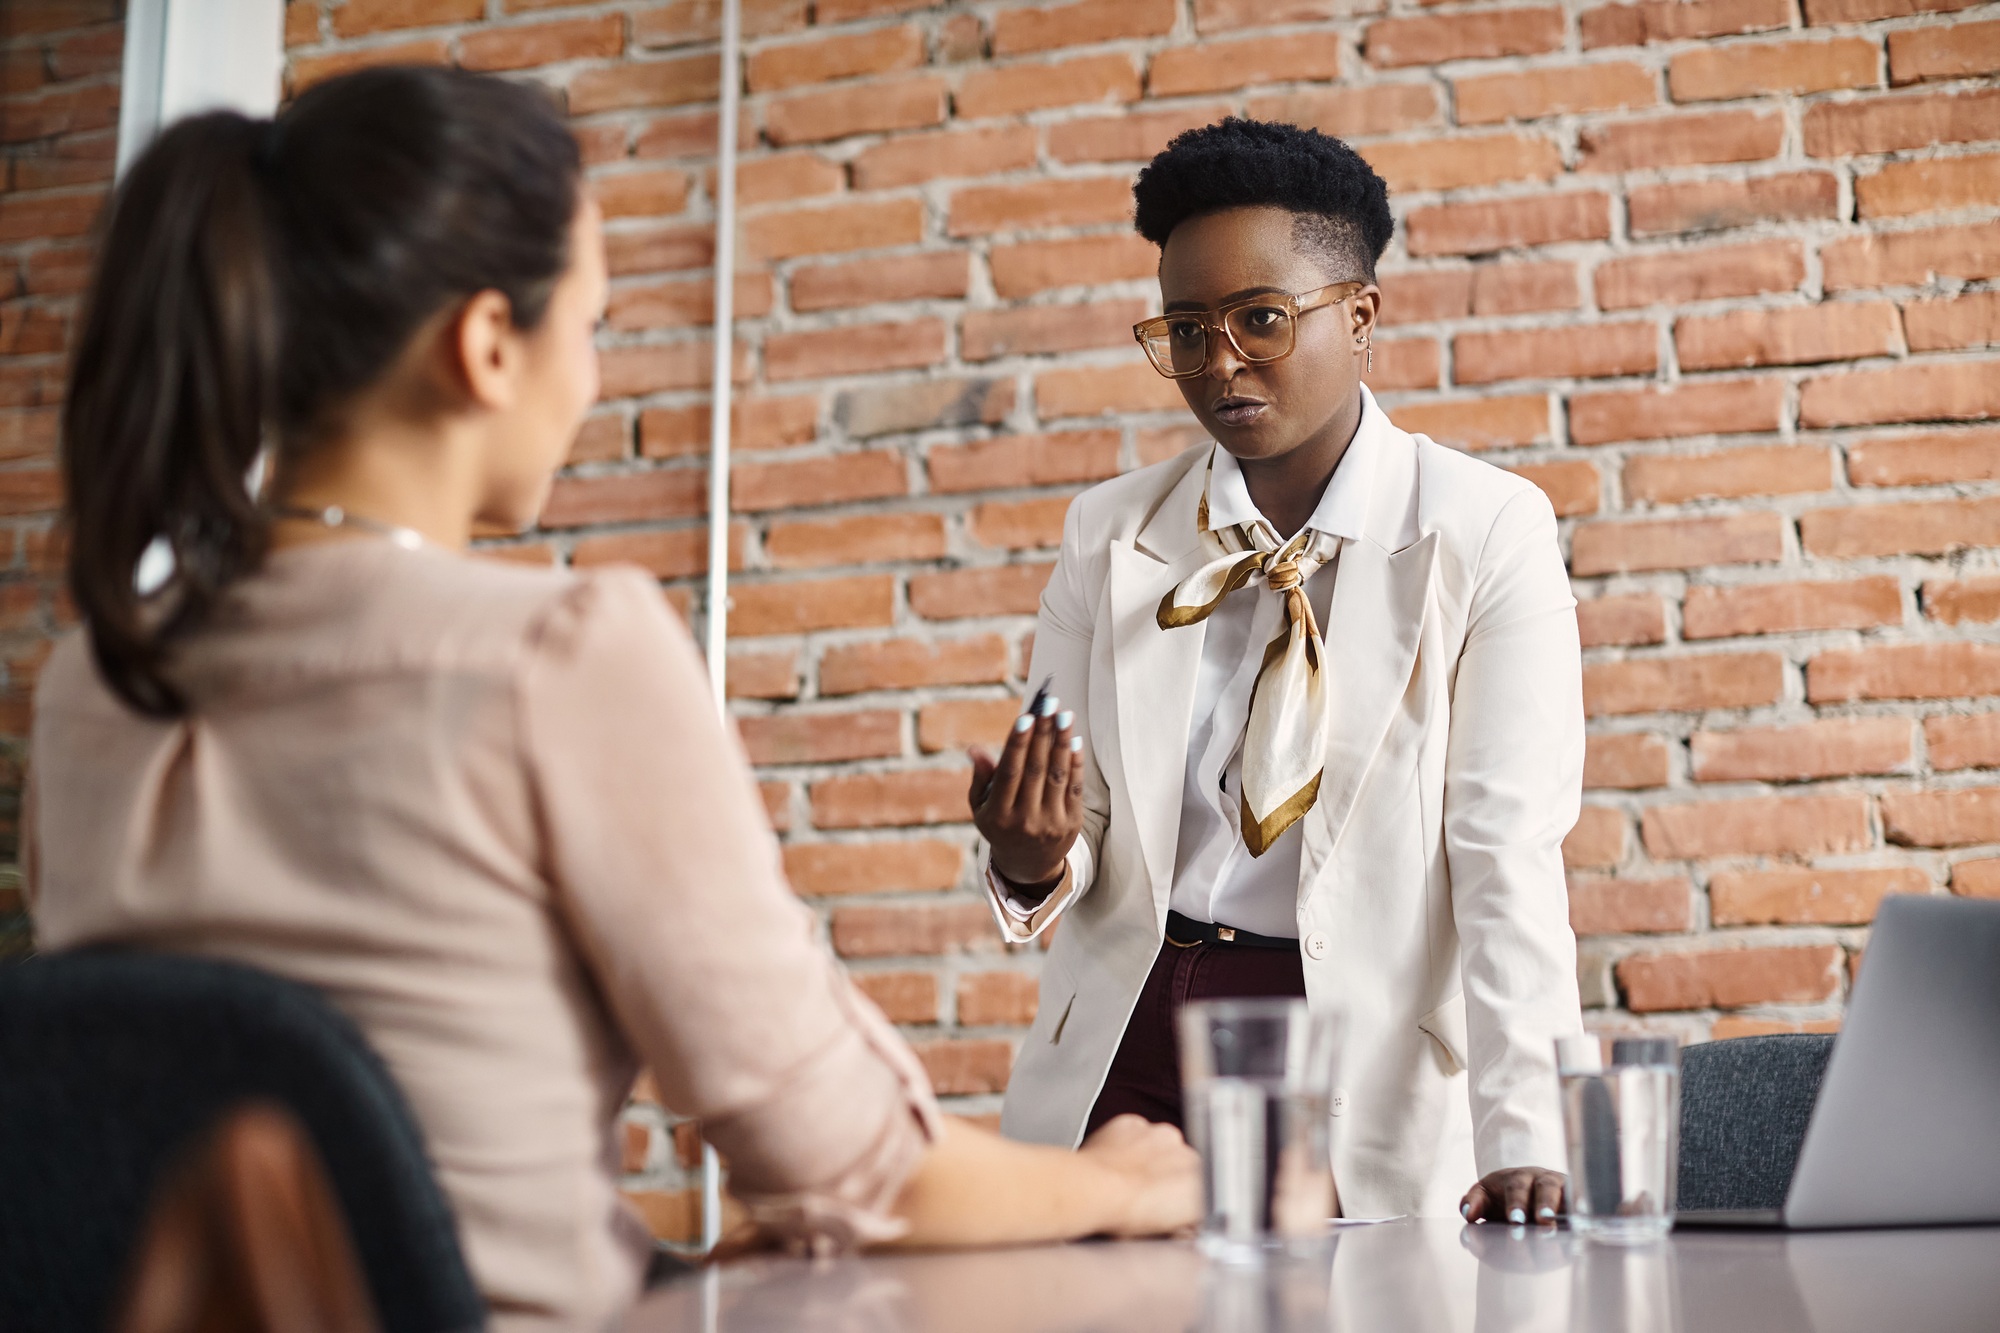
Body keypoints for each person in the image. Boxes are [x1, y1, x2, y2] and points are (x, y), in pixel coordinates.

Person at [26, 67, 1196, 1331]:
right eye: (586, 328)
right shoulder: (559, 653)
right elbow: (854, 1168)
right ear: (483, 346)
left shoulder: (91, 680)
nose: (589, 382)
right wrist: (1111, 1180)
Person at [970, 119, 1586, 1227]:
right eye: (1185, 328)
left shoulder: (1483, 529)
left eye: (1260, 319)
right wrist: (1028, 860)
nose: (1219, 363)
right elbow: (1081, 819)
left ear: (1358, 317)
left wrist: (1527, 1125)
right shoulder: (1109, 533)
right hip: (1134, 1030)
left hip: (1354, 1049)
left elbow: (1504, 850)